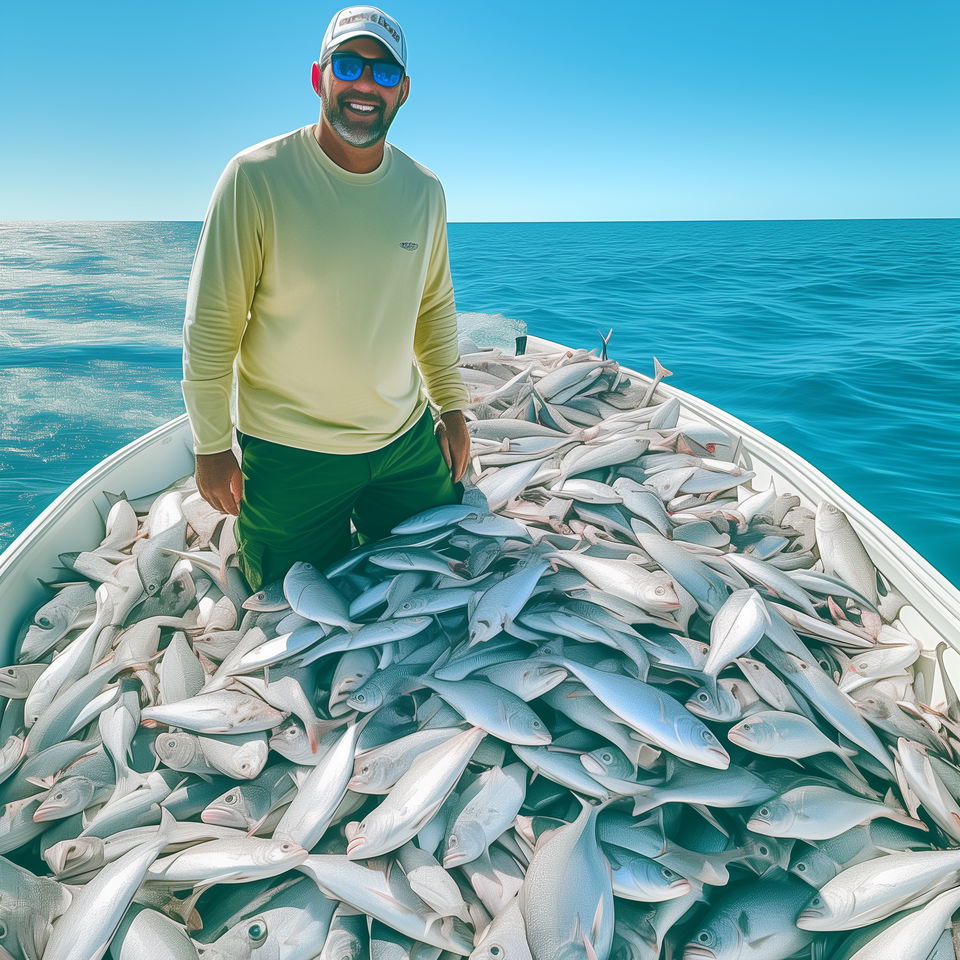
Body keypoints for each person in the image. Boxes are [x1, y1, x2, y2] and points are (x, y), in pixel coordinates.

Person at [181, 6, 471, 591]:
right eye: (349, 64)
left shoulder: (425, 190)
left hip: (403, 440)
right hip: (292, 452)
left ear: (404, 91)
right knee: (287, 598)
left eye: (384, 72)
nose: (366, 83)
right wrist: (211, 446)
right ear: (320, 77)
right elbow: (212, 327)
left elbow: (432, 307)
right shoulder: (254, 178)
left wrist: (452, 408)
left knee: (443, 572)